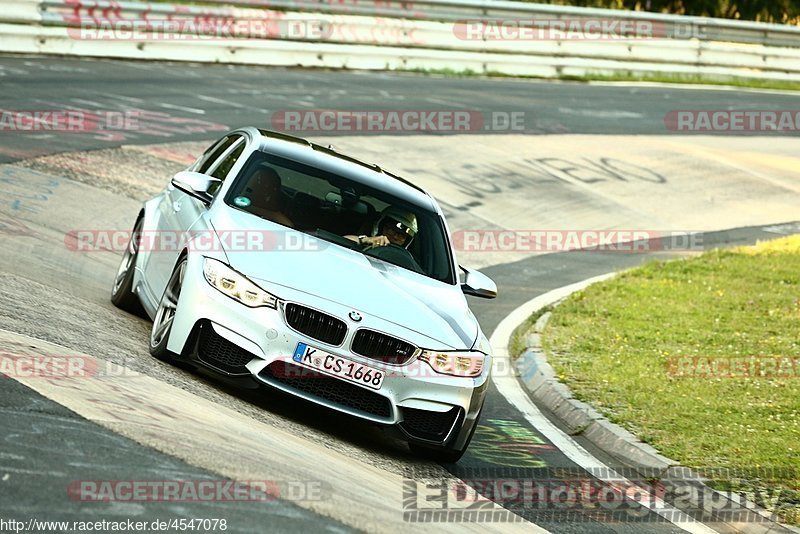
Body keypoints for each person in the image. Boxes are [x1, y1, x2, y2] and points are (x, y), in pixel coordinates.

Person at [346, 206, 417, 249]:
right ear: (380, 226)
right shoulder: (365, 243)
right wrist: (365, 240)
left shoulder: (406, 260)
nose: (395, 237)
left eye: (402, 235)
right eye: (391, 230)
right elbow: (344, 240)